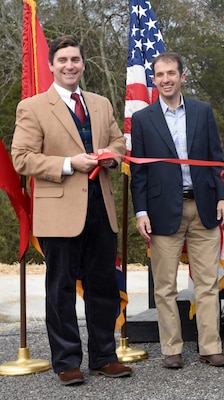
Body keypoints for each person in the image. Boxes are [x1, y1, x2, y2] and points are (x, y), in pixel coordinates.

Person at [11, 36, 131, 385]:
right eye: (62, 59)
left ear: (83, 64)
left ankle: (104, 357)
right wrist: (68, 163)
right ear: (51, 65)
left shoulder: (100, 103)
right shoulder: (32, 107)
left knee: (104, 287)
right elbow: (22, 157)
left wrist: (112, 154)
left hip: (100, 208)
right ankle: (66, 362)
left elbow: (118, 142)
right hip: (59, 213)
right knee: (61, 289)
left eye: (75, 59)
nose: (69, 65)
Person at [130, 52, 224, 369]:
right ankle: (171, 349)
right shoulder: (144, 120)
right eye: (159, 75)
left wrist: (223, 196)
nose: (166, 79)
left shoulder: (203, 112)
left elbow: (217, 158)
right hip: (162, 213)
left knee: (206, 284)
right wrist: (141, 211)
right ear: (154, 80)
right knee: (165, 288)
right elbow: (139, 173)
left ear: (182, 76)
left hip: (204, 208)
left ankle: (210, 346)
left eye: (171, 73)